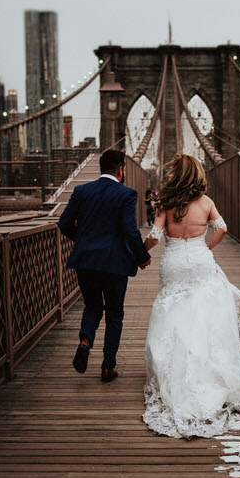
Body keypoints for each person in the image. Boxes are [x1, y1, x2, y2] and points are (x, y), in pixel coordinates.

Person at [141, 153, 240, 438]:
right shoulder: (206, 203)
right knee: (203, 313)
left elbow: (154, 236)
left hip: (175, 259)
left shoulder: (167, 203)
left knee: (173, 314)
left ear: (175, 175)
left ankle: (177, 369)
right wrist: (207, 248)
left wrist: (139, 254)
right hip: (200, 258)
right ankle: (206, 365)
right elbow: (222, 228)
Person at [57, 150, 151, 383]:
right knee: (114, 313)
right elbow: (130, 230)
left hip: (86, 260)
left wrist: (83, 241)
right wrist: (141, 257)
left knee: (92, 307)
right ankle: (108, 366)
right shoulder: (127, 194)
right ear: (121, 170)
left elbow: (64, 223)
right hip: (114, 262)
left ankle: (85, 341)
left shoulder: (81, 191)